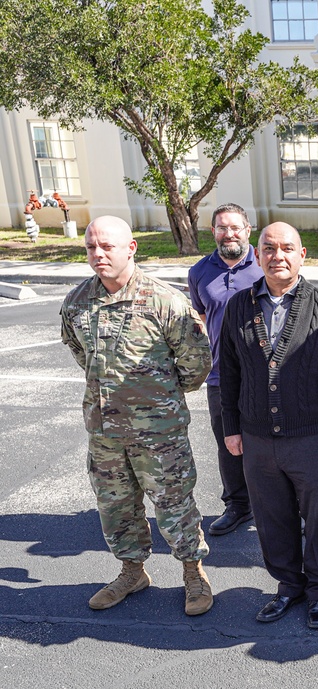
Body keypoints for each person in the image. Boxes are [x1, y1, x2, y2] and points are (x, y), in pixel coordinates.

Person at [60, 215, 213, 616]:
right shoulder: (77, 302)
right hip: (105, 432)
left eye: (107, 246)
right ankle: (132, 571)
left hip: (159, 433)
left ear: (131, 248)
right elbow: (81, 354)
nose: (98, 254)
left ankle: (193, 573)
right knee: (116, 506)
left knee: (174, 503)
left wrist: (157, 398)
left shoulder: (165, 301)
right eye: (91, 246)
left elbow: (196, 364)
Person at [219, 222, 318, 630]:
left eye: (286, 248)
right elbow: (228, 373)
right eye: (268, 247)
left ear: (302, 255)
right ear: (257, 253)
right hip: (257, 436)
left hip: (312, 435)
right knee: (271, 515)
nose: (277, 255)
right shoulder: (239, 307)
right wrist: (232, 427)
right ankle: (288, 585)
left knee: (317, 515)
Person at [187, 203, 264, 537]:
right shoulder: (200, 272)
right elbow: (201, 319)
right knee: (228, 443)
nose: (228, 234)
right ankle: (238, 505)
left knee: (272, 443)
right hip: (221, 376)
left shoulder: (264, 264)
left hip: (264, 374)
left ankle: (286, 507)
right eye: (221, 227)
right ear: (213, 231)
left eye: (235, 227)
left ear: (248, 229)